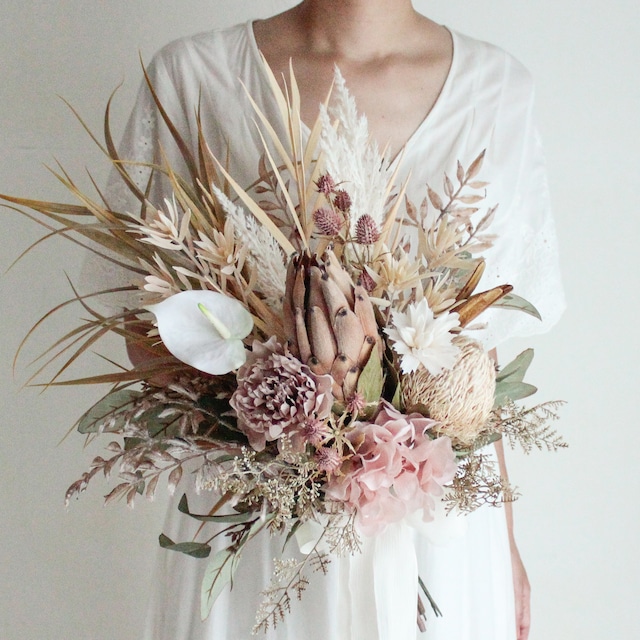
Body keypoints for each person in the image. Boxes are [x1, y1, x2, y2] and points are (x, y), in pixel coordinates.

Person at [100, 1, 565, 638]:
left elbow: (481, 363)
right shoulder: (194, 78)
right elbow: (146, 335)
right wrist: (300, 419)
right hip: (259, 537)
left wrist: (504, 542)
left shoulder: (499, 89)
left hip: (439, 535)